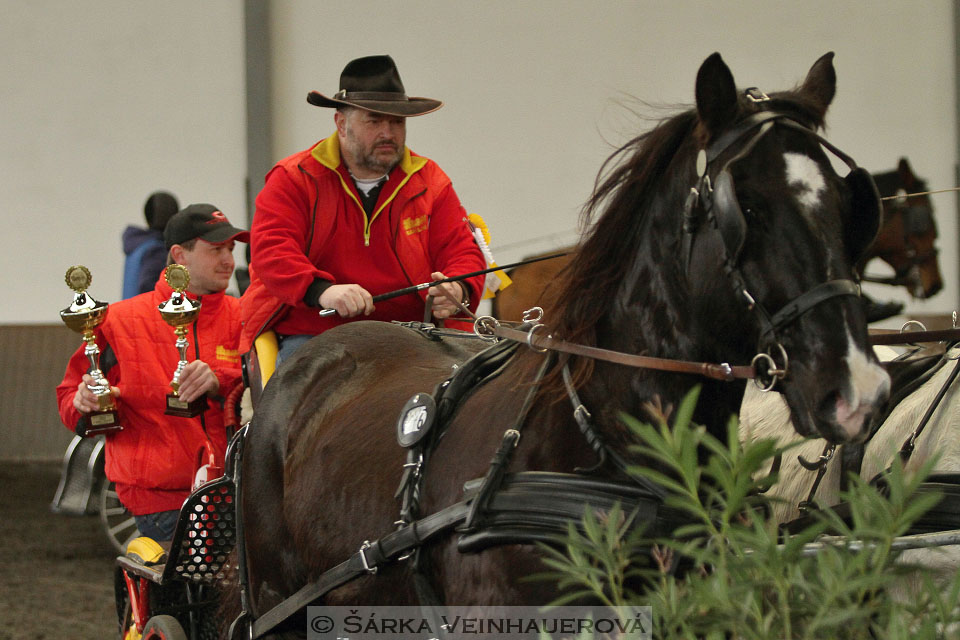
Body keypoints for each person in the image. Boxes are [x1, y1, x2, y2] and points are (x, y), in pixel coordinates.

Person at [240, 55, 486, 363]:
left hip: (411, 335)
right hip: (313, 332)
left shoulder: (431, 181)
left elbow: (462, 250)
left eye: (397, 122)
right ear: (341, 124)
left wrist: (457, 288)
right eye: (374, 120)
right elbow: (272, 250)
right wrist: (322, 291)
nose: (388, 132)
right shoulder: (294, 177)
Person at [56, 204, 249, 543]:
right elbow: (70, 397)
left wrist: (220, 379)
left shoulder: (246, 315)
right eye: (216, 249)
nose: (229, 260)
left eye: (231, 249)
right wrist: (86, 401)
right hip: (164, 498)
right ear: (179, 255)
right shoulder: (118, 321)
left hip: (242, 486)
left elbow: (269, 383)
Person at [122, 191, 180, 298]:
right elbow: (149, 288)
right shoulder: (157, 250)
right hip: (145, 313)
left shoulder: (139, 245)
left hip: (131, 312)